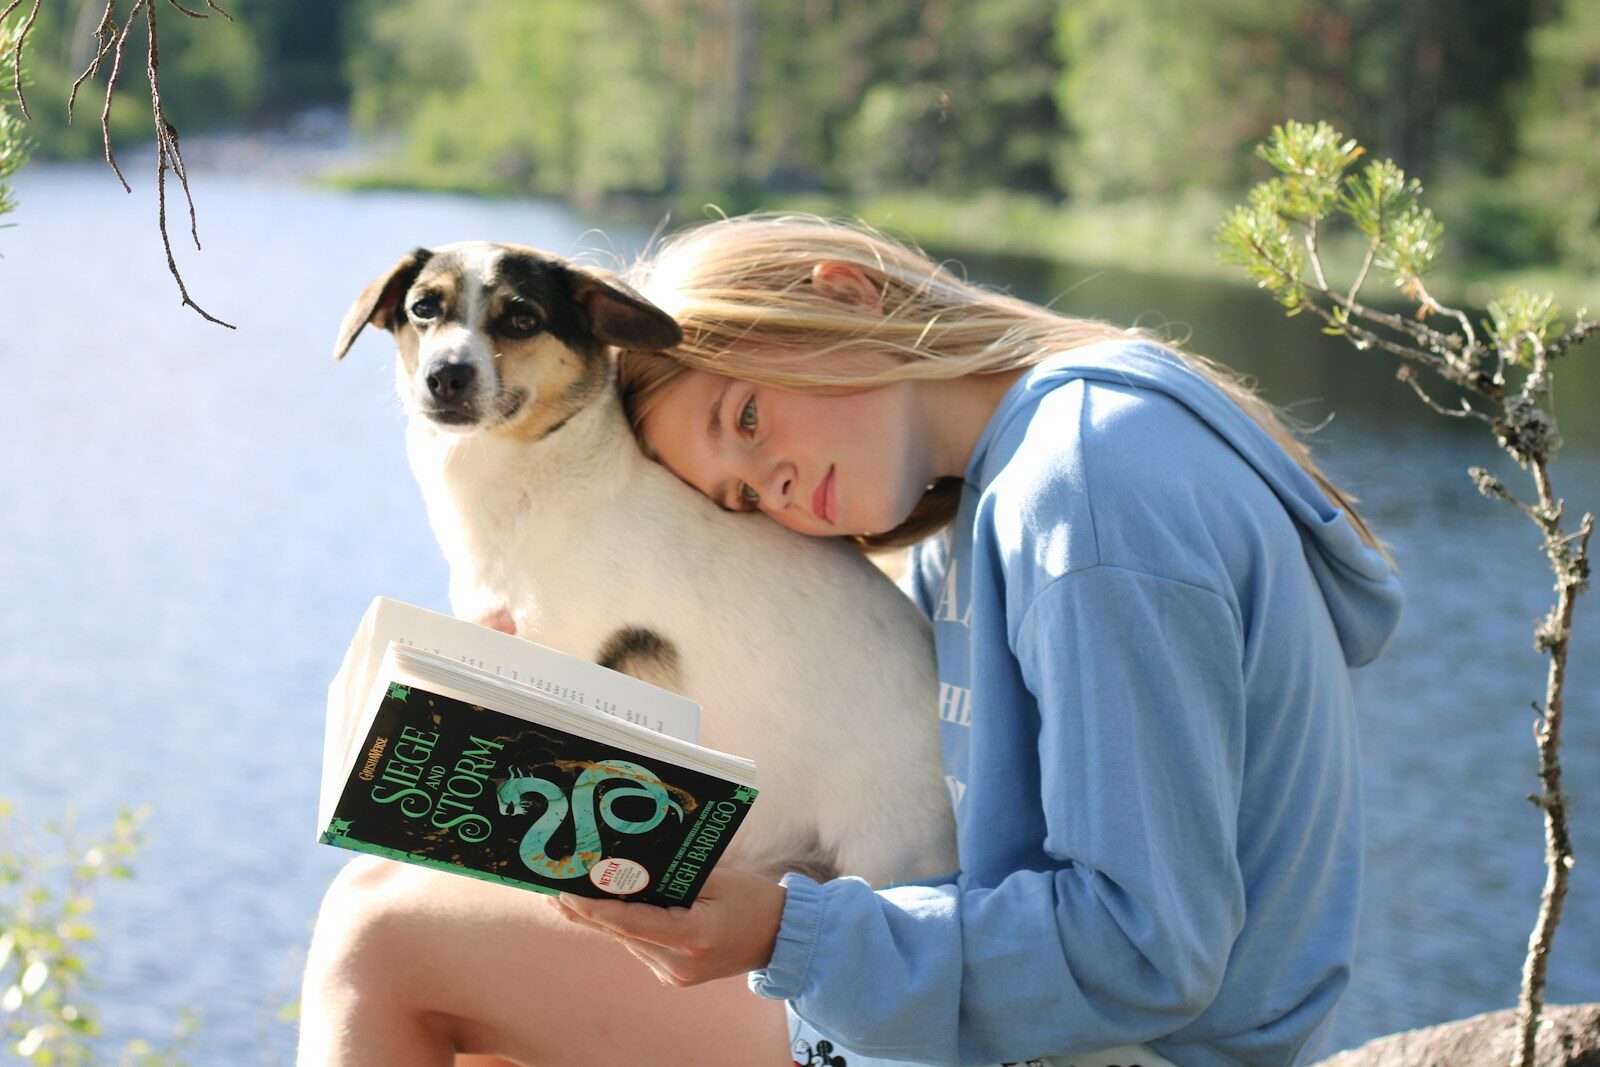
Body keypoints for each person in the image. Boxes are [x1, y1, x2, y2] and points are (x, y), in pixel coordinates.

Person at [297, 213, 1401, 1067]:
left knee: (381, 938)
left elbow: (1148, 948)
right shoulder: (987, 493)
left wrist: (792, 933)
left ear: (843, 294)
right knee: (458, 925)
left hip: (1119, 1050)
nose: (770, 487)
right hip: (1052, 1016)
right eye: (732, 498)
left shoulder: (1094, 491)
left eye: (746, 419)